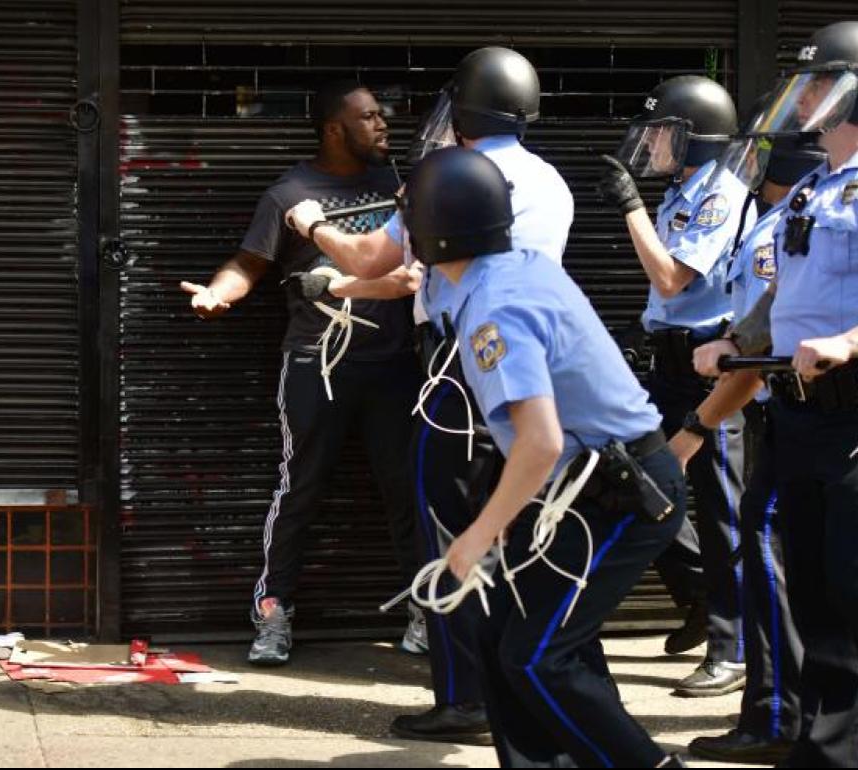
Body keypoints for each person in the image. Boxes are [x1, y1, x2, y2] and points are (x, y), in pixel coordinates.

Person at [282, 46, 572, 745]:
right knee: (516, 534)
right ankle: (517, 690)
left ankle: (464, 698)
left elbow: (372, 258)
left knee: (443, 533)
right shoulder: (550, 181)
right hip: (524, 374)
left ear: (467, 110)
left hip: (454, 375)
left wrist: (312, 223)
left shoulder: (445, 175)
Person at [405, 145, 688, 767]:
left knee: (537, 657)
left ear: (434, 229)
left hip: (620, 492)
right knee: (498, 631)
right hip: (574, 488)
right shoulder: (500, 268)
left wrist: (478, 534)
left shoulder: (496, 307)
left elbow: (541, 441)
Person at [181, 80, 423, 666]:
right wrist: (219, 294)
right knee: (300, 487)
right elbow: (249, 262)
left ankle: (427, 612)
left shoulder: (400, 187)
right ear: (334, 128)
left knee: (409, 491)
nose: (383, 125)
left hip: (393, 364)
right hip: (315, 361)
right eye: (368, 118)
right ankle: (273, 611)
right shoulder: (289, 193)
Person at [690, 21, 858, 767]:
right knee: (817, 591)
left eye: (822, 82)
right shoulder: (816, 188)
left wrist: (851, 342)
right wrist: (739, 343)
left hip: (852, 404)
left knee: (850, 590)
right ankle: (825, 746)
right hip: (799, 409)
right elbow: (785, 293)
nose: (808, 96)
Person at [597, 74, 753, 695]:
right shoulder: (684, 188)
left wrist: (630, 206)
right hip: (665, 362)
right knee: (635, 481)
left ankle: (734, 646)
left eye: (664, 133)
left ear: (695, 138)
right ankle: (696, 592)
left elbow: (670, 279)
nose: (653, 145)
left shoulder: (720, 194)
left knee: (721, 507)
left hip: (707, 366)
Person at [675, 130, 826, 764]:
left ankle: (775, 719)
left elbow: (759, 352)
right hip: (790, 417)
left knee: (765, 561)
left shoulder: (783, 228)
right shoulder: (788, 220)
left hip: (790, 417)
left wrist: (699, 425)